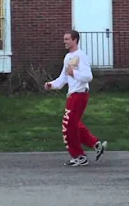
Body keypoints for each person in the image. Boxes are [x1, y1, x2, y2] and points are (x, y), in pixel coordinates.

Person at [44, 30, 107, 167]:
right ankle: (95, 143)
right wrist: (51, 84)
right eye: (64, 39)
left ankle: (79, 156)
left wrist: (74, 72)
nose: (64, 42)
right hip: (72, 95)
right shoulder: (67, 57)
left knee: (68, 126)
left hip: (80, 94)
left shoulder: (81, 56)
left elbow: (88, 77)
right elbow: (63, 79)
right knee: (75, 124)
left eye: (67, 39)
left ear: (75, 40)